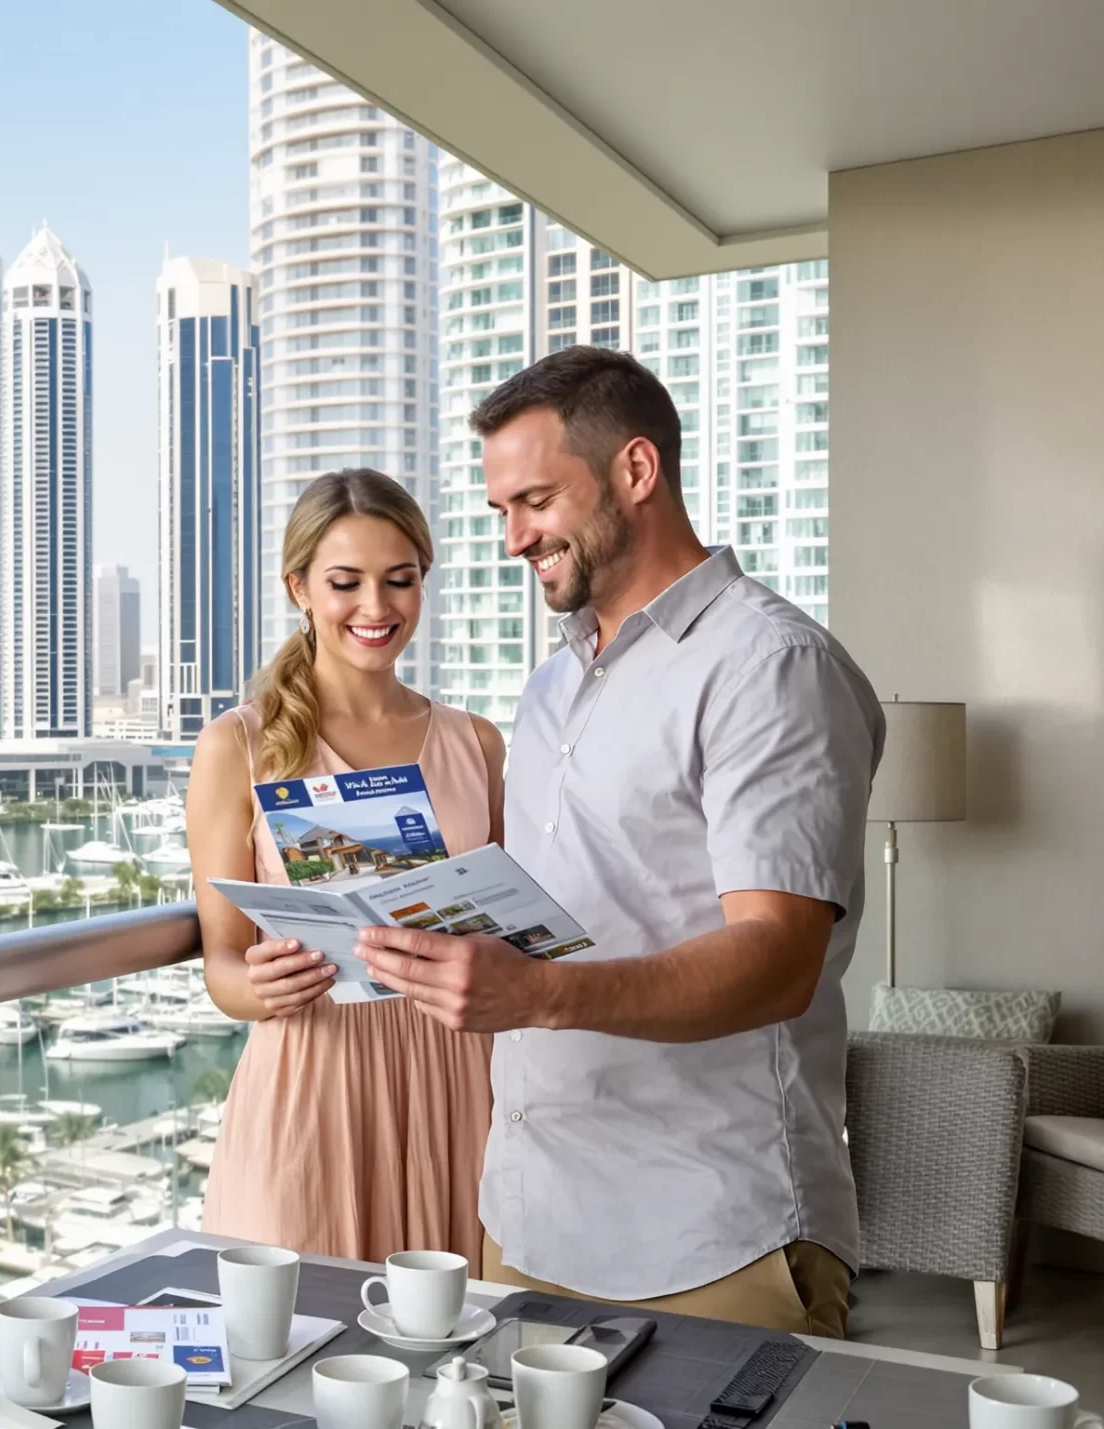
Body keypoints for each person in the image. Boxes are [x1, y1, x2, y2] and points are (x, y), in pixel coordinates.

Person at [357, 347, 883, 1337]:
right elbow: (582, 896)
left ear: (635, 472)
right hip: (532, 1212)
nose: (514, 538)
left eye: (535, 500)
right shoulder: (553, 683)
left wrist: (541, 994)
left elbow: (777, 960)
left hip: (714, 1231)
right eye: (499, 510)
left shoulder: (769, 667)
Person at [187, 467, 505, 1263]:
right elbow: (221, 963)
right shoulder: (239, 746)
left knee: (459, 1349)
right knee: (298, 1347)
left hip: (459, 1080)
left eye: (400, 580)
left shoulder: (479, 743)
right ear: (299, 586)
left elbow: (508, 921)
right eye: (346, 582)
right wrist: (256, 985)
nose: (376, 607)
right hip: (314, 1075)